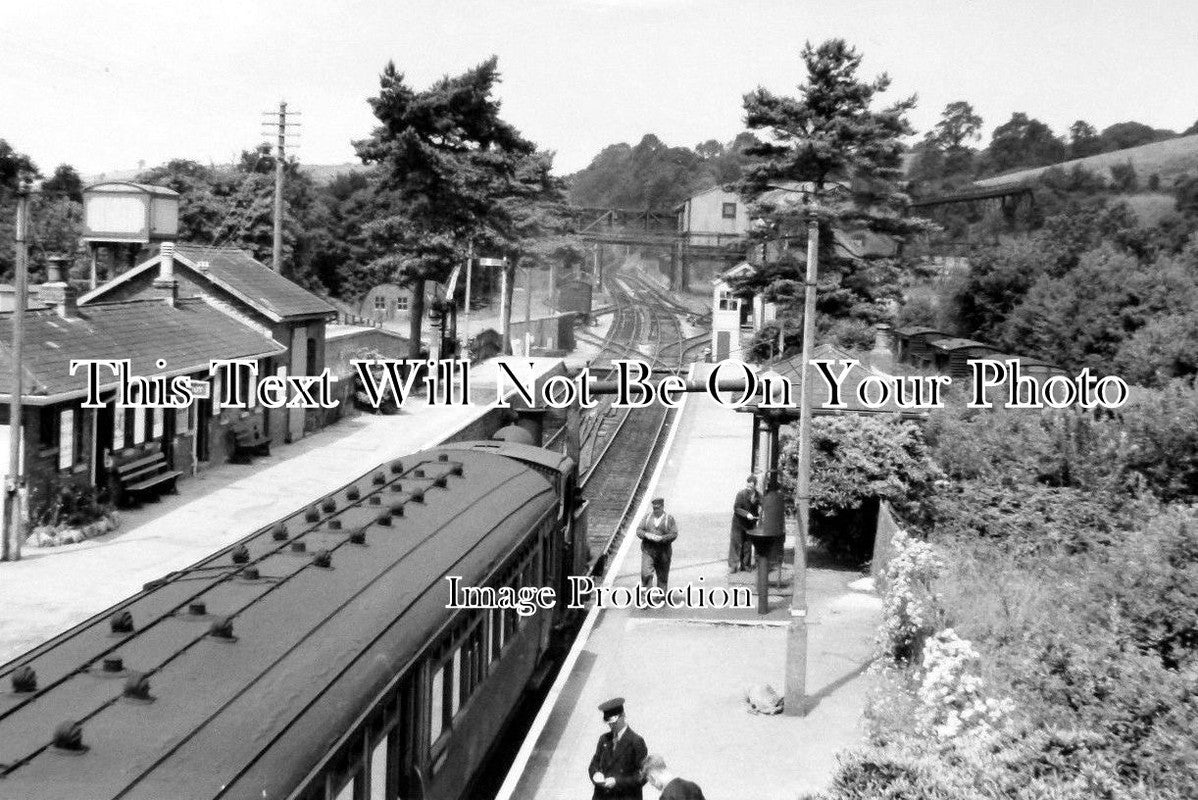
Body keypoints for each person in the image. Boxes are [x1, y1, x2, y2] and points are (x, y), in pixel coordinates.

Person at [588, 697, 648, 799]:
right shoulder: (604, 739)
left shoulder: (636, 742)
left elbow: (643, 776)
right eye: (608, 722)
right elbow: (594, 764)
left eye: (614, 721)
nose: (611, 725)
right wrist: (596, 775)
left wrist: (617, 782)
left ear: (622, 716)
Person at [638, 497, 678, 592]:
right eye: (654, 508)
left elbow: (674, 534)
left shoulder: (669, 519)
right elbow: (639, 530)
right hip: (648, 550)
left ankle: (661, 597)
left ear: (662, 507)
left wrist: (662, 538)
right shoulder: (647, 517)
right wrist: (646, 534)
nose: (656, 510)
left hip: (663, 551)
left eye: (658, 508)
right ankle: (646, 598)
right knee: (646, 573)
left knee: (662, 576)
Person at [729, 475, 760, 573]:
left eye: (751, 486)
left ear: (755, 486)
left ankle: (745, 565)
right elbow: (737, 508)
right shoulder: (740, 494)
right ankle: (733, 566)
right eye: (748, 485)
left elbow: (763, 504)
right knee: (736, 544)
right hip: (738, 523)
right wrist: (747, 514)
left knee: (747, 545)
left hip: (750, 524)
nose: (749, 488)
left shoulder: (758, 496)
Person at [642, 754, 707, 800]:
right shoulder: (693, 787)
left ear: (652, 776)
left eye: (650, 781)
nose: (652, 785)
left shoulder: (667, 796)